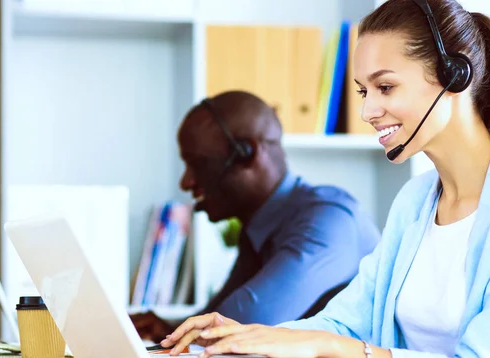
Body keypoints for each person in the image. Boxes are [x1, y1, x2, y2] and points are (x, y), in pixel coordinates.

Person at [159, 0, 490, 358]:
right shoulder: (415, 201)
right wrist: (249, 337)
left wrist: (333, 347)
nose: (367, 110)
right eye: (364, 91)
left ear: (454, 75)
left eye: (385, 87)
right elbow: (343, 322)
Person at [131, 90, 381, 342]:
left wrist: (185, 332)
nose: (186, 182)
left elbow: (243, 324)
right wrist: (167, 330)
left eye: (199, 164)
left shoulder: (329, 219)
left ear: (247, 154)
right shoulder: (258, 231)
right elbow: (218, 320)